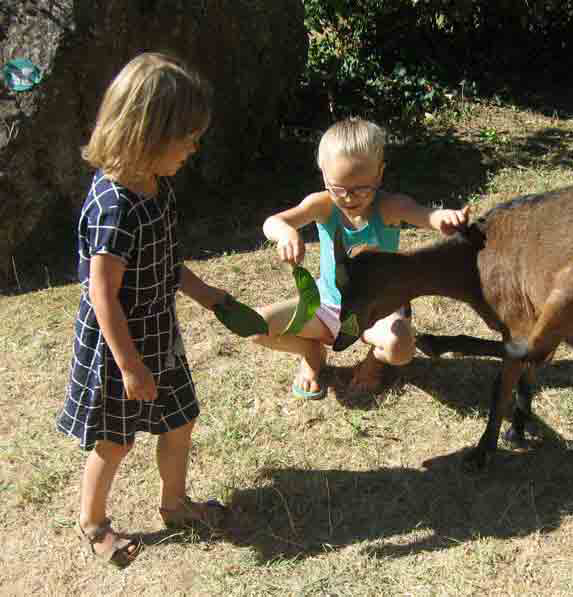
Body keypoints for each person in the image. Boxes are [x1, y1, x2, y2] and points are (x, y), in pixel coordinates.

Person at [56, 52, 229, 569]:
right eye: (187, 138)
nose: (194, 148)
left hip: (159, 333)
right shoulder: (114, 207)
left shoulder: (158, 185)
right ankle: (93, 524)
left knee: (180, 420)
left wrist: (208, 295)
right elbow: (102, 296)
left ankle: (175, 505)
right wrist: (130, 366)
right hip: (119, 348)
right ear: (149, 134)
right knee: (115, 442)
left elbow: (168, 261)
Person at [254, 117, 469, 400]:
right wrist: (285, 233)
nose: (349, 197)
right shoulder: (321, 204)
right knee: (255, 326)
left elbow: (422, 213)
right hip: (327, 306)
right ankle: (311, 353)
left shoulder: (389, 207)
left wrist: (442, 218)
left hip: (378, 310)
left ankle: (373, 363)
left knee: (400, 348)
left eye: (361, 188)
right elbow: (272, 222)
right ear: (324, 175)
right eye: (338, 188)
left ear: (379, 175)